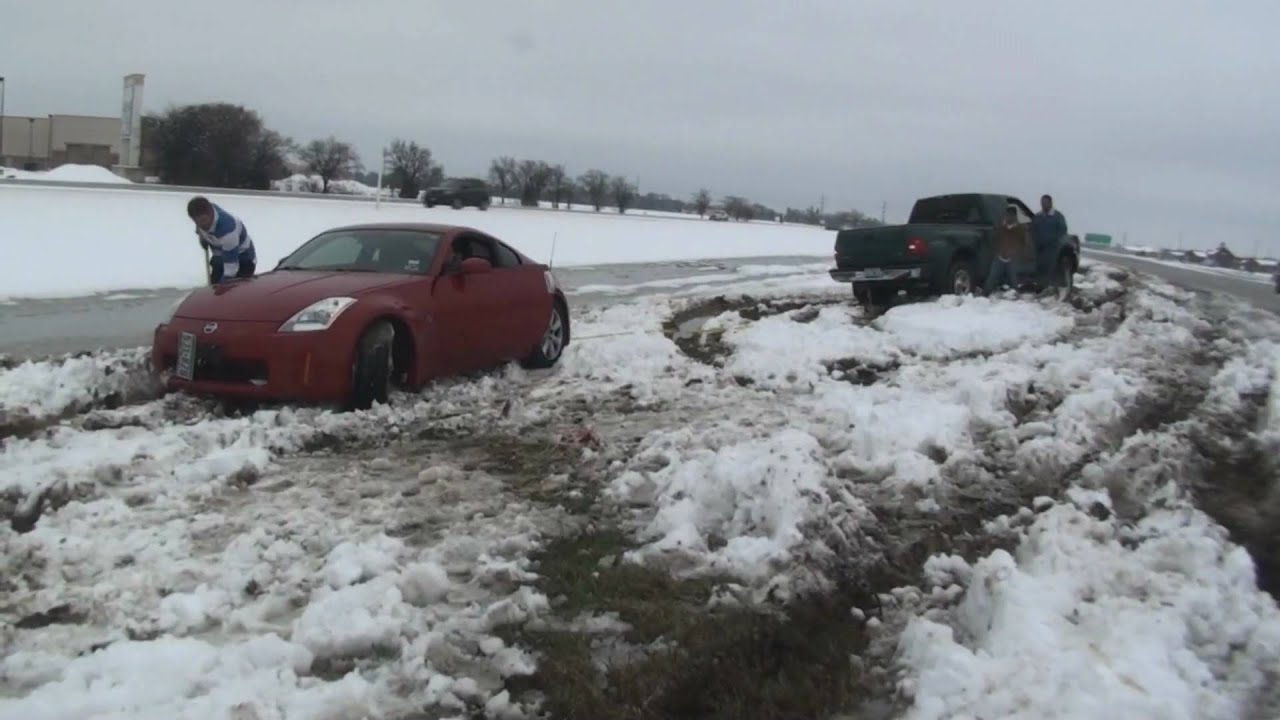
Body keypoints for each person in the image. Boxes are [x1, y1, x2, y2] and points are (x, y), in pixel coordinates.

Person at [187, 196, 257, 284]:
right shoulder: (203, 212)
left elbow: (231, 269)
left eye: (204, 220)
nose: (202, 225)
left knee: (232, 292)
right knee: (214, 287)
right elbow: (199, 227)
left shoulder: (228, 230)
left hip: (243, 259)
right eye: (197, 221)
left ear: (211, 213)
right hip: (220, 255)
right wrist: (202, 238)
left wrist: (221, 287)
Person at [985, 205, 1033, 295]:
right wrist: (998, 251)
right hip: (999, 257)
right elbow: (994, 240)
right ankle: (985, 295)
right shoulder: (1000, 227)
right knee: (992, 278)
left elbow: (1024, 243)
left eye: (1011, 215)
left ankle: (1015, 296)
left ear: (1015, 216)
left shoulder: (1020, 229)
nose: (1008, 217)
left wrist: (1015, 252)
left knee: (1013, 280)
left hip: (1013, 259)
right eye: (1007, 215)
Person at [1030, 194, 1067, 283]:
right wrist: (1036, 241)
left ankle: (1049, 288)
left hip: (1052, 249)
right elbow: (1033, 230)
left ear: (1050, 203)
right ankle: (1040, 287)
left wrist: (1052, 241)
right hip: (1039, 248)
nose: (1043, 205)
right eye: (1042, 203)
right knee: (1040, 269)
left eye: (1045, 203)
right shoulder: (1038, 216)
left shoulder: (1058, 216)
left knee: (1050, 270)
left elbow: (1062, 231)